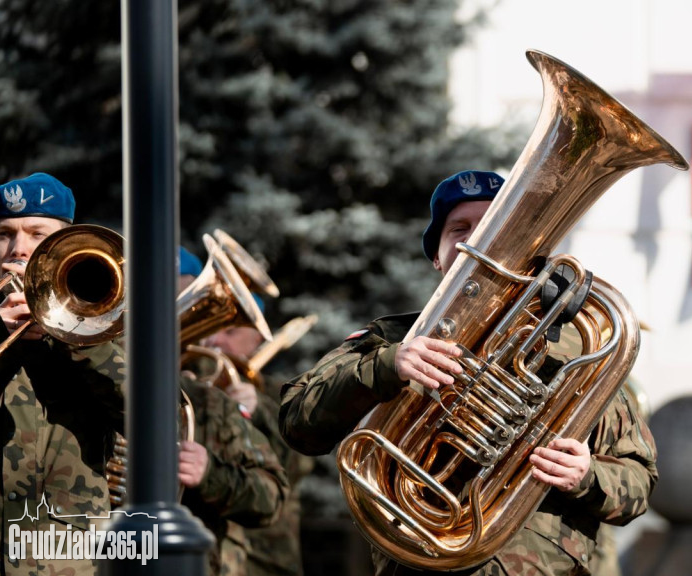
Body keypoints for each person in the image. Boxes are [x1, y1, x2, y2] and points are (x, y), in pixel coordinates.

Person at [279, 170, 658, 575]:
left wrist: (587, 475)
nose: (478, 237)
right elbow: (297, 421)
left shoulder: (580, 351)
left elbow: (639, 482)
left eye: (496, 226)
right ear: (437, 256)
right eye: (459, 229)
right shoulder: (392, 340)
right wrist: (389, 365)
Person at [0, 173, 126, 575]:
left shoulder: (107, 328)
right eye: (3, 234)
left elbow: (163, 422)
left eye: (37, 233)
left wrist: (79, 335)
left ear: (65, 245)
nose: (18, 249)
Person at [177, 247, 291, 576]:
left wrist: (208, 472)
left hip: (249, 559)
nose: (216, 340)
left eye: (230, 331)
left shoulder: (222, 394)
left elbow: (288, 474)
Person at [202, 306, 312, 576]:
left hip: (263, 556)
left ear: (257, 338)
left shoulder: (282, 393)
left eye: (230, 332)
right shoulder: (198, 381)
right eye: (211, 329)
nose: (215, 339)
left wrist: (260, 410)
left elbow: (299, 463)